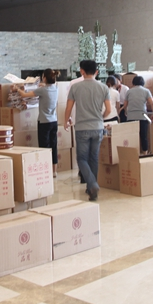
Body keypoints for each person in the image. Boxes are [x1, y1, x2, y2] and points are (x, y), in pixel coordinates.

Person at [64, 60, 111, 201]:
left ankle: (92, 184)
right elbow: (109, 109)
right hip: (98, 128)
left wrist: (66, 121)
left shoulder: (75, 87)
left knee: (82, 159)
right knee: (93, 158)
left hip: (82, 128)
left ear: (81, 71)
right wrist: (101, 118)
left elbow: (69, 108)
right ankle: (91, 188)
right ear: (96, 72)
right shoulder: (104, 88)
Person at [15, 69, 60, 177]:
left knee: (44, 147)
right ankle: (54, 171)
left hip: (44, 122)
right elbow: (47, 88)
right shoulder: (55, 88)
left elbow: (24, 95)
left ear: (44, 78)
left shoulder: (42, 90)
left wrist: (17, 88)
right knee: (53, 146)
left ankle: (46, 170)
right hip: (54, 121)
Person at [122, 76, 153, 153]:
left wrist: (126, 112)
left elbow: (125, 105)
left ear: (133, 82)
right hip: (142, 116)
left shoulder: (129, 91)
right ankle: (145, 154)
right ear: (143, 83)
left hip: (131, 117)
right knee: (144, 136)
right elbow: (152, 104)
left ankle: (133, 154)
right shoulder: (146, 91)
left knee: (131, 137)